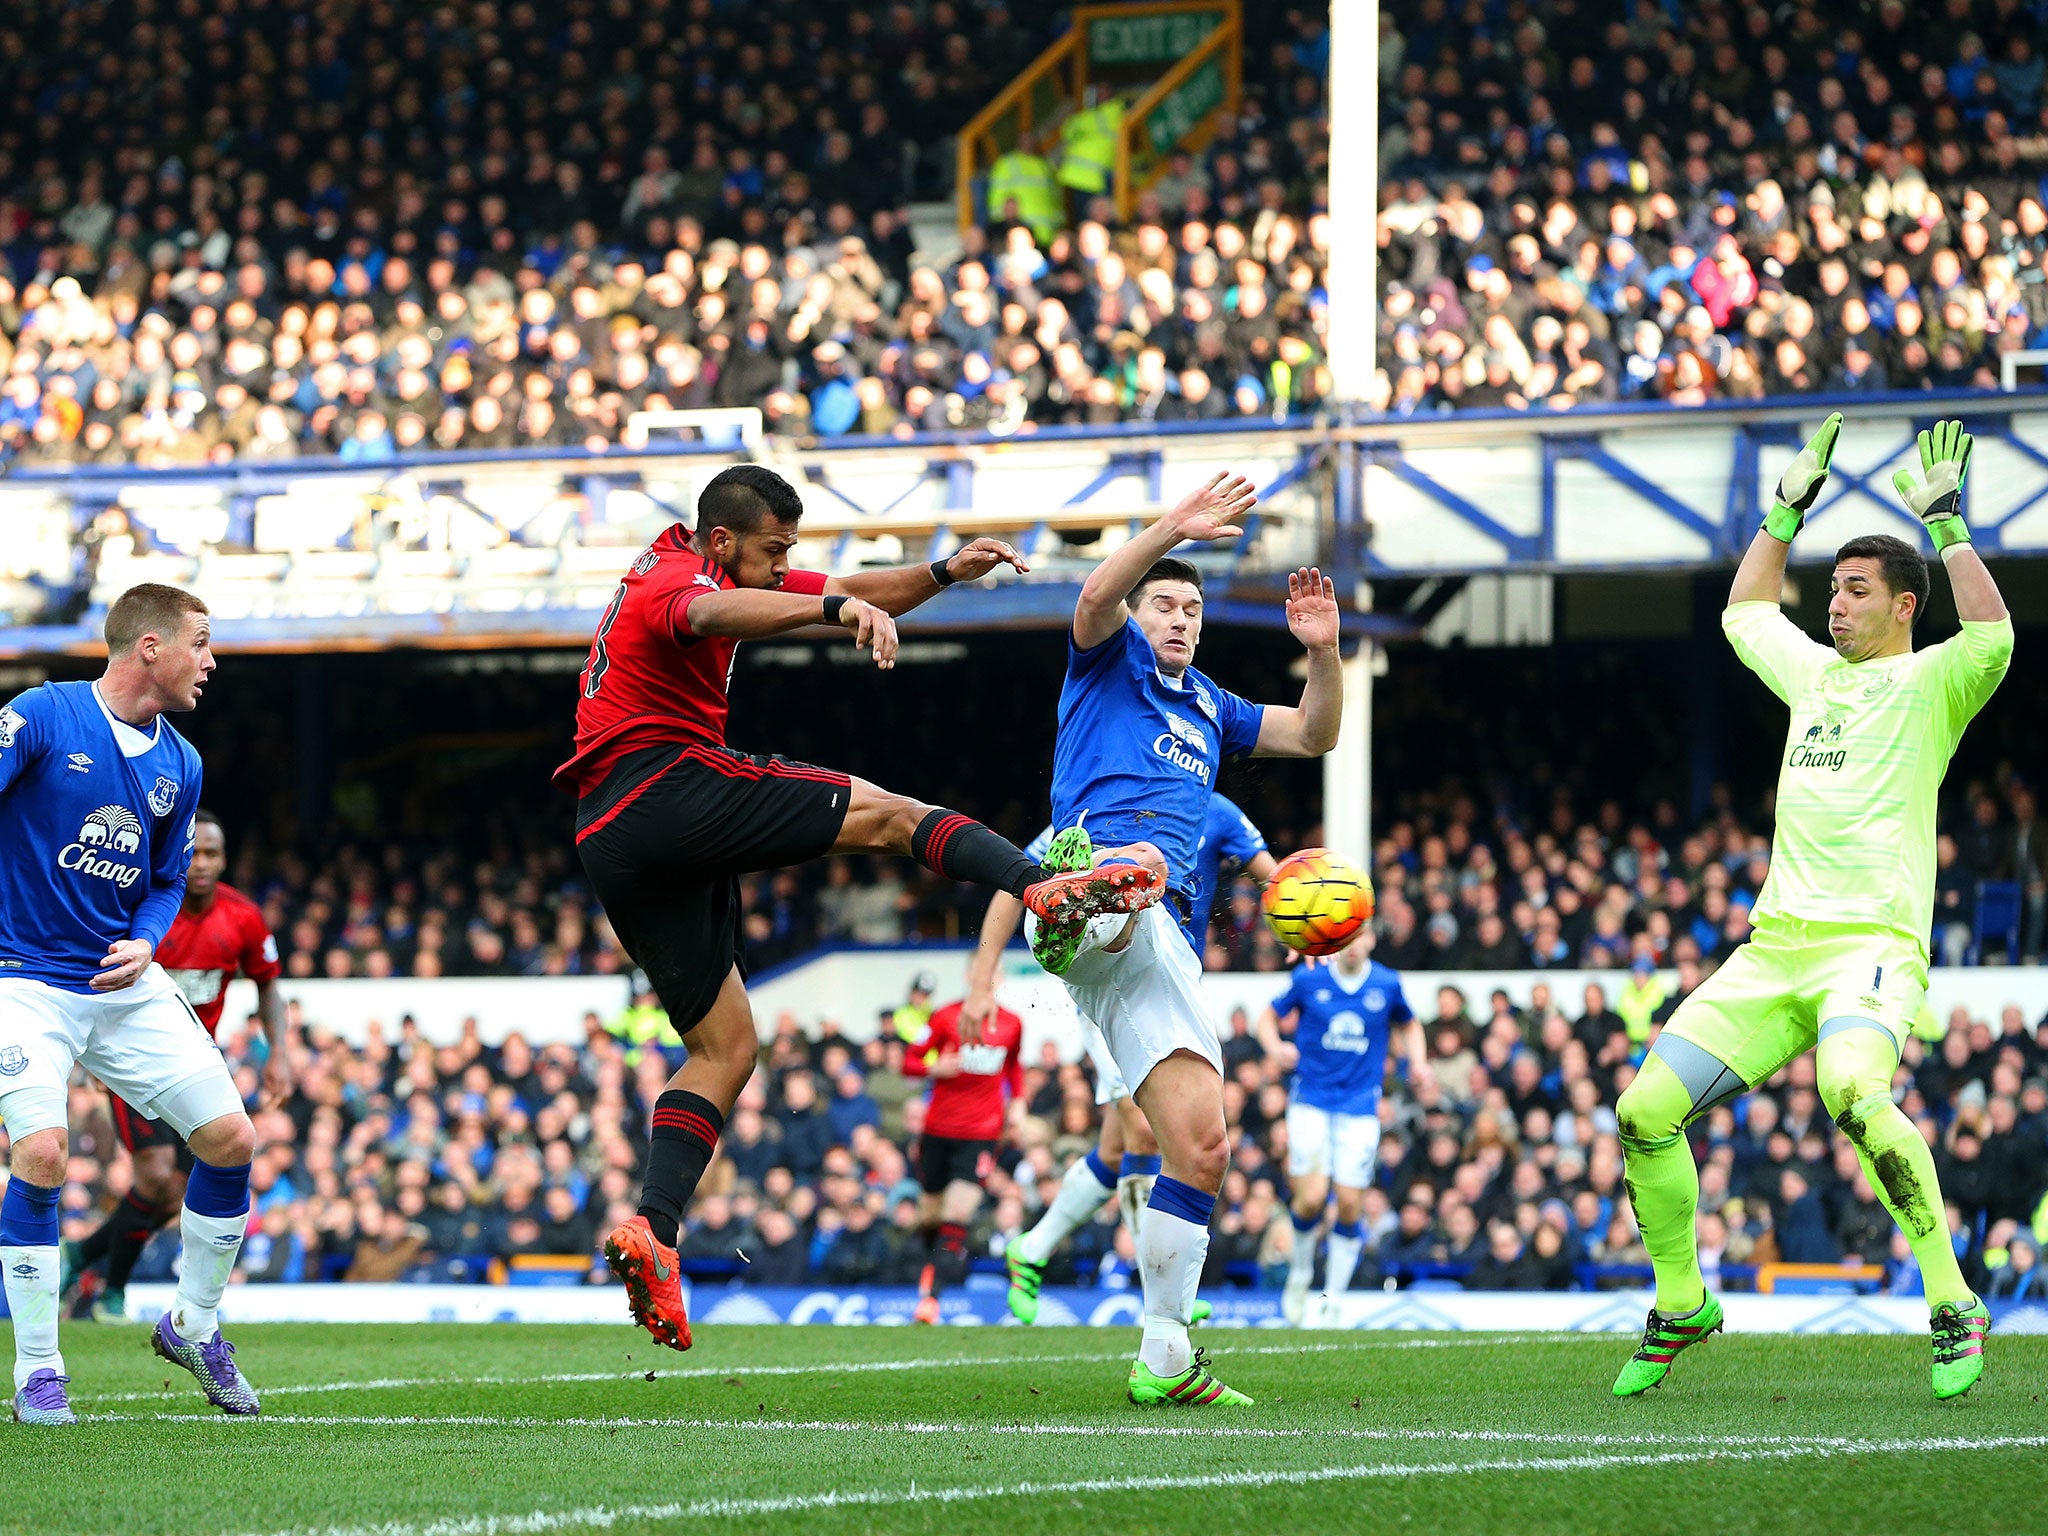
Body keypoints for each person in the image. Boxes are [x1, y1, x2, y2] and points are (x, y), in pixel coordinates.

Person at [554, 464, 1163, 1352]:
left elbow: (848, 589)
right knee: (891, 816)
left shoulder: (709, 565)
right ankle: (1042, 887)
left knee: (726, 1048)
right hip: (663, 783)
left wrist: (942, 575)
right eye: (773, 550)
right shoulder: (673, 581)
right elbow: (717, 615)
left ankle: (654, 1230)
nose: (785, 565)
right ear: (722, 541)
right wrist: (833, 613)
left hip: (609, 834)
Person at [1611, 417, 2012, 1403]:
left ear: (1903, 604)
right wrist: (1782, 512)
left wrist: (1948, 526)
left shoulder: (1931, 682)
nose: (1833, 604)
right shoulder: (1813, 679)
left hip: (1867, 950)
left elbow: (1993, 634)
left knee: (1851, 1092)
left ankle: (1952, 1301)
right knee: (1641, 1110)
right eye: (1830, 589)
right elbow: (1743, 614)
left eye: (1855, 590)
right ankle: (1681, 1304)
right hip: (1771, 954)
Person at [1025, 471, 1343, 1407]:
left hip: (1157, 947)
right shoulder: (1105, 660)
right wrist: (1171, 528)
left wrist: (1322, 654)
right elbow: (1091, 596)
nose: (1178, 619)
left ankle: (1164, 1353)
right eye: (1163, 602)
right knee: (1130, 876)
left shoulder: (1211, 705)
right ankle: (1090, 884)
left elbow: (1316, 735)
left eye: (1191, 609)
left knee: (1203, 1148)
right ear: (1138, 610)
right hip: (1117, 892)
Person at [0, 584, 261, 1425]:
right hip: (24, 978)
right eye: (203, 642)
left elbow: (162, 881)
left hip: (121, 981)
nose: (212, 662)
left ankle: (194, 1323)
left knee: (229, 1139)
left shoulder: (181, 762)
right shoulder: (41, 715)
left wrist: (151, 940)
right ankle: (39, 1371)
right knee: (41, 1152)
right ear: (150, 647)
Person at [979, 794, 1276, 1322]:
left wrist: (1307, 917)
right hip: (1114, 984)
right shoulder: (1101, 811)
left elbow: (1272, 879)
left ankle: (1032, 1248)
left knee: (1118, 1151)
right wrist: (981, 980)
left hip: (1176, 985)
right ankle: (1159, 1295)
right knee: (1143, 1132)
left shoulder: (1218, 811)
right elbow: (1015, 881)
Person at [62, 808, 291, 1320]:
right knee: (157, 1177)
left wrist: (279, 1051)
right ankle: (112, 1292)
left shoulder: (243, 918)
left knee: (180, 1191)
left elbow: (268, 984)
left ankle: (80, 1258)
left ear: (225, 859)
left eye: (212, 853)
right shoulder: (142, 913)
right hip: (132, 1059)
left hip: (193, 1064)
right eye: (193, 853)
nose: (202, 864)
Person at [1259, 928, 1425, 1326]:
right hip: (1311, 1099)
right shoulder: (1308, 978)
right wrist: (1274, 1047)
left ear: (1371, 940)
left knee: (1351, 1203)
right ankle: (1300, 1273)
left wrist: (1419, 1063)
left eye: (1360, 936)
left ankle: (1333, 1296)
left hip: (1359, 1105)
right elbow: (1268, 1015)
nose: (1352, 944)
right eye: (1344, 937)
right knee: (1312, 1196)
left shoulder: (1386, 983)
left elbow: (1410, 1023)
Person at [901, 990, 1023, 1322]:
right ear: (973, 977)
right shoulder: (943, 1016)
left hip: (982, 1135)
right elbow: (909, 1061)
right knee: (930, 1216)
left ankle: (932, 1298)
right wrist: (933, 1067)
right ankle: (929, 1270)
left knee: (958, 1212)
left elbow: (1014, 1067)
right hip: (937, 1132)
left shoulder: (1012, 1023)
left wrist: (1019, 1102)